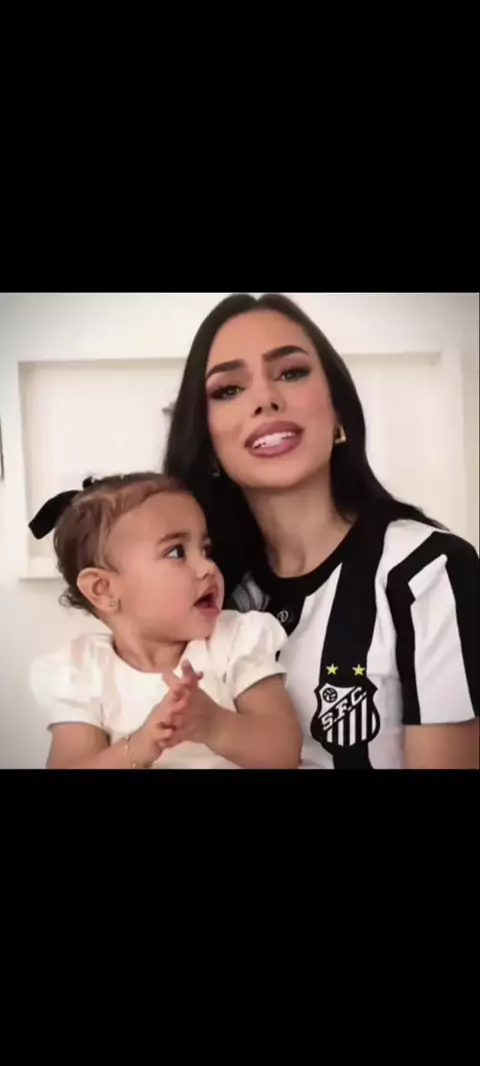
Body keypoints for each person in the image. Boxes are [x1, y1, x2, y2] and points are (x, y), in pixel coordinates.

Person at [164, 293, 479, 770]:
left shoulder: (429, 571)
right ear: (206, 442)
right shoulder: (207, 591)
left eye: (291, 372)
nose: (266, 399)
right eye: (229, 390)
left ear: (338, 414)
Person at [28, 473, 302, 770]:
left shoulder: (235, 642)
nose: (208, 567)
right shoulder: (84, 671)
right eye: (176, 552)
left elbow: (284, 753)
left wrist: (214, 725)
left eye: (206, 550)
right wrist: (138, 747)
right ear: (103, 589)